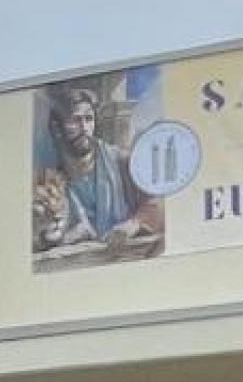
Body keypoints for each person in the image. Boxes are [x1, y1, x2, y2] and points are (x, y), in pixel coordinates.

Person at [44, 83, 159, 255]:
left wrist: (133, 224)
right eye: (75, 120)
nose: (84, 128)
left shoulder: (123, 162)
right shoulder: (52, 183)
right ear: (57, 129)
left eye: (89, 119)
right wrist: (64, 238)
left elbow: (156, 204)